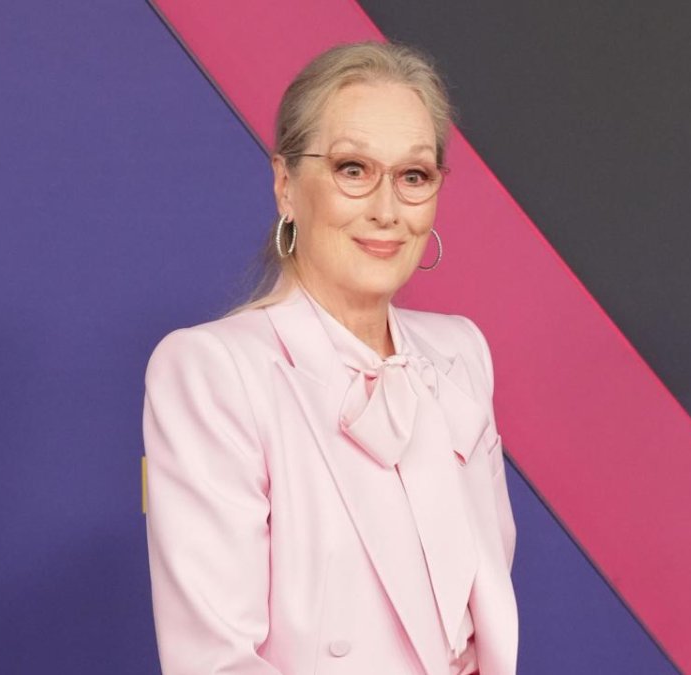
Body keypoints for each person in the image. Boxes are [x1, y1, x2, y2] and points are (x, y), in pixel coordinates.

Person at [143, 40, 517, 674]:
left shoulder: (461, 354)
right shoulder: (210, 372)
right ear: (286, 185)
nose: (387, 209)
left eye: (414, 176)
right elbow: (214, 662)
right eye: (352, 169)